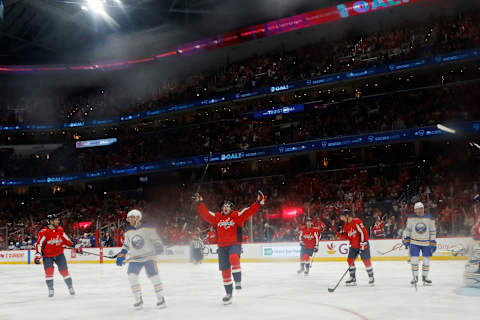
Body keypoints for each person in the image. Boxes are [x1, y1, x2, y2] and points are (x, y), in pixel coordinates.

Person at [194, 190, 265, 305]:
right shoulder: (217, 217)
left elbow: (249, 210)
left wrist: (258, 202)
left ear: (232, 209)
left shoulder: (236, 216)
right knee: (225, 272)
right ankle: (228, 294)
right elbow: (205, 214)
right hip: (222, 248)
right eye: (224, 206)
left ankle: (237, 280)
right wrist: (199, 202)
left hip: (234, 244)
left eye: (228, 206)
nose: (225, 207)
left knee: (233, 258)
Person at [115, 209, 166, 309]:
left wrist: (158, 246)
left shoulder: (148, 228)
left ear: (137, 217)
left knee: (154, 277)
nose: (129, 220)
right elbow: (126, 245)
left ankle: (161, 298)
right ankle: (138, 300)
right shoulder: (128, 231)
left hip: (149, 258)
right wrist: (122, 255)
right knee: (131, 277)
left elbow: (156, 240)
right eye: (128, 218)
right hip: (135, 260)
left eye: (131, 217)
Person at [34, 213, 80, 297]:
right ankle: (51, 289)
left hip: (59, 254)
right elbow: (39, 244)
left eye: (58, 219)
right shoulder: (44, 232)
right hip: (47, 256)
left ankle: (70, 287)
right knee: (49, 272)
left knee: (64, 272)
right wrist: (38, 254)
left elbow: (66, 240)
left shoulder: (60, 229)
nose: (58, 221)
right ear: (50, 221)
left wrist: (74, 246)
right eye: (56, 220)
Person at [402, 202, 436, 286]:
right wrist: (406, 238)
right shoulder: (410, 218)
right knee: (414, 260)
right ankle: (415, 278)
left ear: (423, 209)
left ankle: (425, 278)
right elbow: (408, 229)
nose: (419, 211)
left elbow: (433, 231)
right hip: (414, 242)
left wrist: (433, 242)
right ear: (415, 210)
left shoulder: (430, 218)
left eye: (421, 209)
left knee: (426, 261)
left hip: (426, 243)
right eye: (417, 209)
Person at [340, 209, 375, 286]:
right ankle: (352, 278)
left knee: (366, 261)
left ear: (347, 216)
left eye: (342, 216)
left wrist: (363, 243)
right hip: (353, 246)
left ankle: (371, 277)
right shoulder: (345, 225)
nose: (341, 218)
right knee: (350, 260)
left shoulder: (356, 221)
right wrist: (342, 234)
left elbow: (363, 232)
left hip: (363, 244)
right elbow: (347, 236)